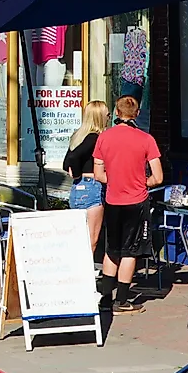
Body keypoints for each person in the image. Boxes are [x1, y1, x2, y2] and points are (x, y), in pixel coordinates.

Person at [94, 94, 166, 309]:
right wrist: (144, 182)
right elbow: (158, 177)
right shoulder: (146, 139)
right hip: (136, 201)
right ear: (137, 114)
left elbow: (98, 173)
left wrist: (116, 179)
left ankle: (106, 298)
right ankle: (122, 300)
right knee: (131, 251)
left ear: (117, 113)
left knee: (112, 248)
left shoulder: (104, 138)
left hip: (113, 200)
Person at [62, 100, 109, 259]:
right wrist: (76, 172)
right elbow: (74, 158)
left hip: (78, 188)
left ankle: (77, 269)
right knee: (91, 238)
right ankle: (82, 274)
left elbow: (66, 162)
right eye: (107, 114)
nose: (109, 117)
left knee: (79, 235)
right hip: (92, 186)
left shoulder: (78, 136)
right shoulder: (94, 138)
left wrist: (75, 173)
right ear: (100, 117)